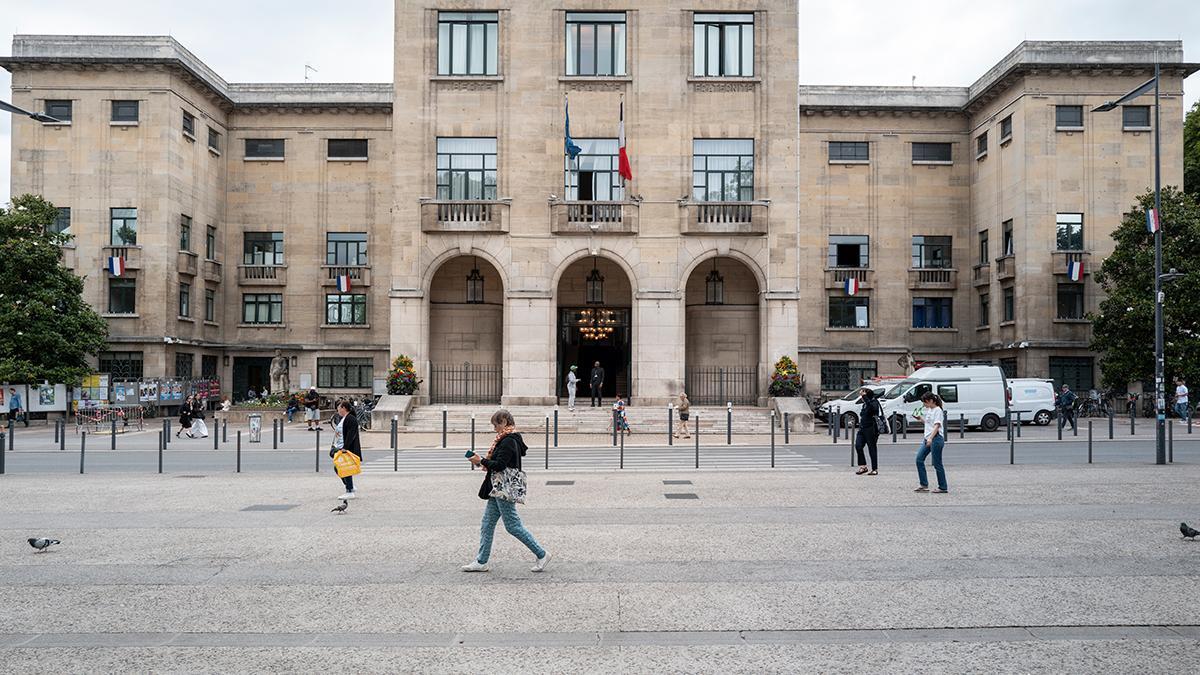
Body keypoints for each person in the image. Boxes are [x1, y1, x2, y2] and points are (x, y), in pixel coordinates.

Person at [463, 410, 550, 573]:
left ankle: (542, 554)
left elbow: (501, 465)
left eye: (495, 424)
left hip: (503, 488)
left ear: (504, 421)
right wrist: (480, 461)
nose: (494, 428)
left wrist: (481, 460)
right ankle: (481, 561)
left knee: (512, 525)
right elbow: (498, 462)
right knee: (487, 524)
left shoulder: (508, 440)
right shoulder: (506, 438)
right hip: (497, 488)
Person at [914, 392, 948, 493]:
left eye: (925, 402)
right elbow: (930, 424)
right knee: (919, 459)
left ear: (931, 401)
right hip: (928, 438)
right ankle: (924, 484)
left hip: (935, 439)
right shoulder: (930, 410)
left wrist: (930, 438)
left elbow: (937, 426)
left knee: (937, 463)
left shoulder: (938, 410)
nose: (924, 405)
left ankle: (943, 487)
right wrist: (920, 419)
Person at [329, 400, 361, 499]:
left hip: (346, 448)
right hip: (341, 446)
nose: (338, 410)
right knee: (341, 467)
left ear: (344, 408)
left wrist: (345, 448)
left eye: (339, 408)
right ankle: (350, 486)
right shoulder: (345, 418)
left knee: (344, 468)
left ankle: (349, 490)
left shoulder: (350, 419)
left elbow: (351, 434)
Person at [854, 387, 883, 476]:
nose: (862, 398)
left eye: (863, 396)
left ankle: (874, 469)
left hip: (871, 429)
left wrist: (865, 398)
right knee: (858, 445)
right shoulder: (865, 404)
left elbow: (873, 410)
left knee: (872, 448)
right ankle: (863, 466)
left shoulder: (874, 403)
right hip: (862, 428)